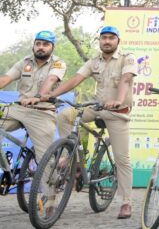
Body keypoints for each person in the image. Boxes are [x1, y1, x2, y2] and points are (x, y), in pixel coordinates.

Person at [32, 27, 136, 219]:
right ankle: (71, 157)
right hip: (97, 108)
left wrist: (119, 100)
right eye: (104, 38)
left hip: (117, 112)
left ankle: (126, 202)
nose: (107, 41)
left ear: (117, 41)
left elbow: (126, 79)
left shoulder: (127, 58)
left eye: (111, 38)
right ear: (100, 40)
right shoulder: (94, 61)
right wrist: (50, 95)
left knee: (122, 158)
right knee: (65, 115)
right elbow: (76, 79)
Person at [0, 31, 65, 182]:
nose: (41, 47)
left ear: (52, 47)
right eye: (38, 44)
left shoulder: (58, 63)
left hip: (42, 112)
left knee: (45, 160)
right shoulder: (24, 62)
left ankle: (51, 199)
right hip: (18, 110)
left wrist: (36, 97)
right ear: (34, 46)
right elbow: (5, 80)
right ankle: (7, 171)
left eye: (45, 44)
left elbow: (51, 79)